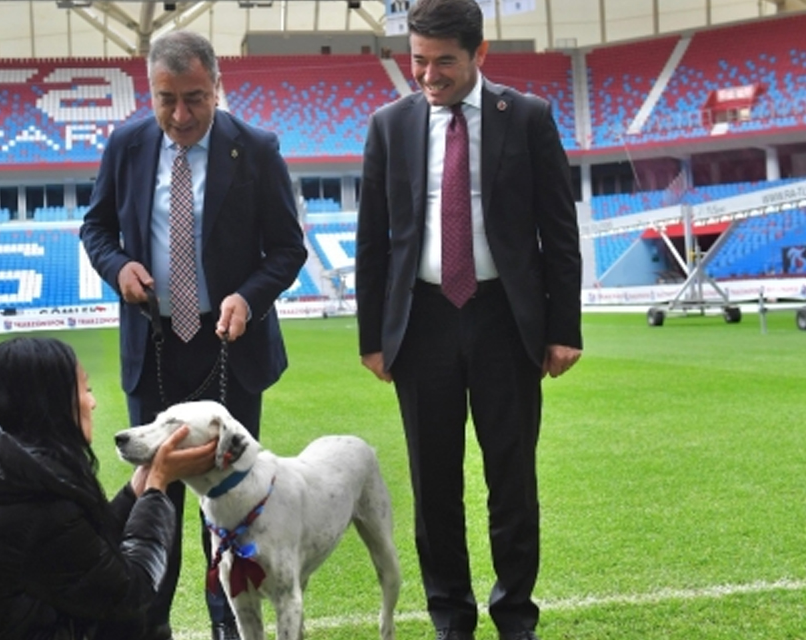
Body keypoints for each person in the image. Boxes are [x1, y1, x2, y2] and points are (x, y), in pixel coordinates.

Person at [355, 0, 584, 638]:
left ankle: (515, 615)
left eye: (444, 62)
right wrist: (373, 337)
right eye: (418, 60)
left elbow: (558, 232)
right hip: (421, 322)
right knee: (434, 486)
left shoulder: (528, 117)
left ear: (480, 54)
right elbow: (373, 239)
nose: (428, 75)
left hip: (505, 321)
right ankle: (450, 616)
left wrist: (564, 328)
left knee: (512, 480)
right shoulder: (388, 125)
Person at [79, 29, 307, 640]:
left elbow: (288, 248)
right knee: (155, 494)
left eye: (196, 99)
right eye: (166, 99)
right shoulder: (126, 144)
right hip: (153, 347)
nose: (180, 115)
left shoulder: (256, 149)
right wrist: (118, 267)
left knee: (231, 504)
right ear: (148, 91)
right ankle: (147, 624)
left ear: (217, 86)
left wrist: (247, 297)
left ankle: (227, 626)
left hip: (230, 347)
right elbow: (96, 229)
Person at [0, 337, 218, 640]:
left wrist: (139, 486)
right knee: (135, 624)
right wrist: (157, 488)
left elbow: (82, 549)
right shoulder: (34, 502)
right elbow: (131, 593)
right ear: (52, 404)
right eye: (85, 389)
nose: (92, 402)